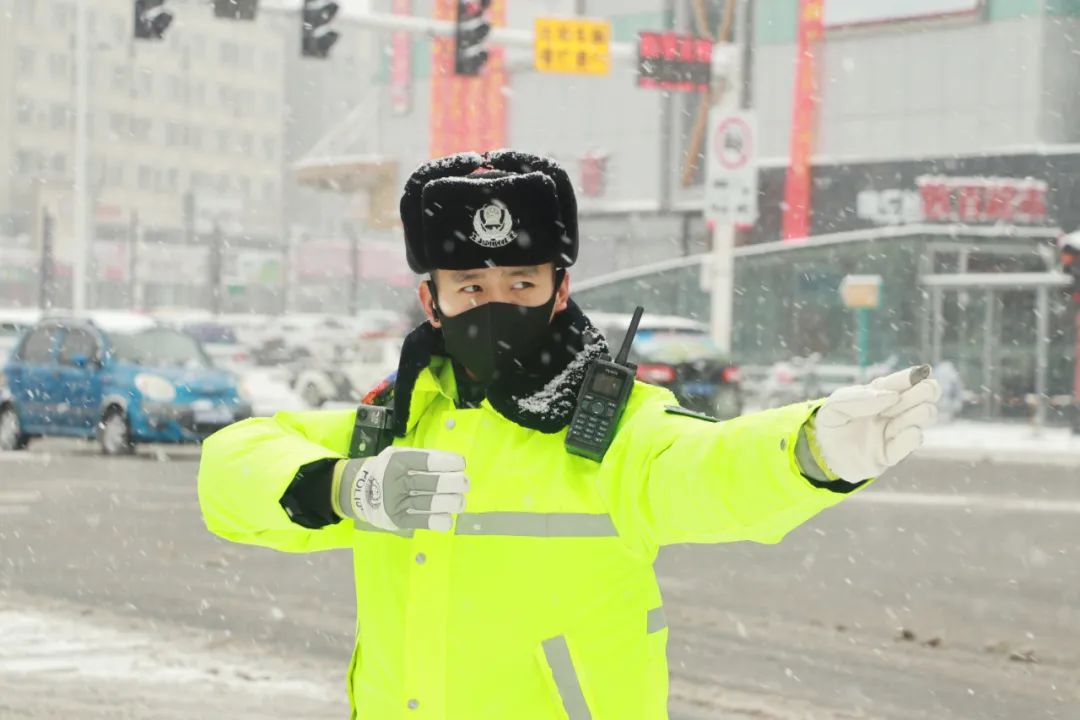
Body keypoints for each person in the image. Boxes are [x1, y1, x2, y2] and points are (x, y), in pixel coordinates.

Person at [197, 150, 940, 719]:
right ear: (432, 300)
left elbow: (709, 469)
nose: (497, 304)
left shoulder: (613, 430)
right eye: (471, 288)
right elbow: (232, 467)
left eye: (521, 283)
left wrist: (809, 451)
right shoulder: (395, 423)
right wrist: (342, 486)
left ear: (560, 290)